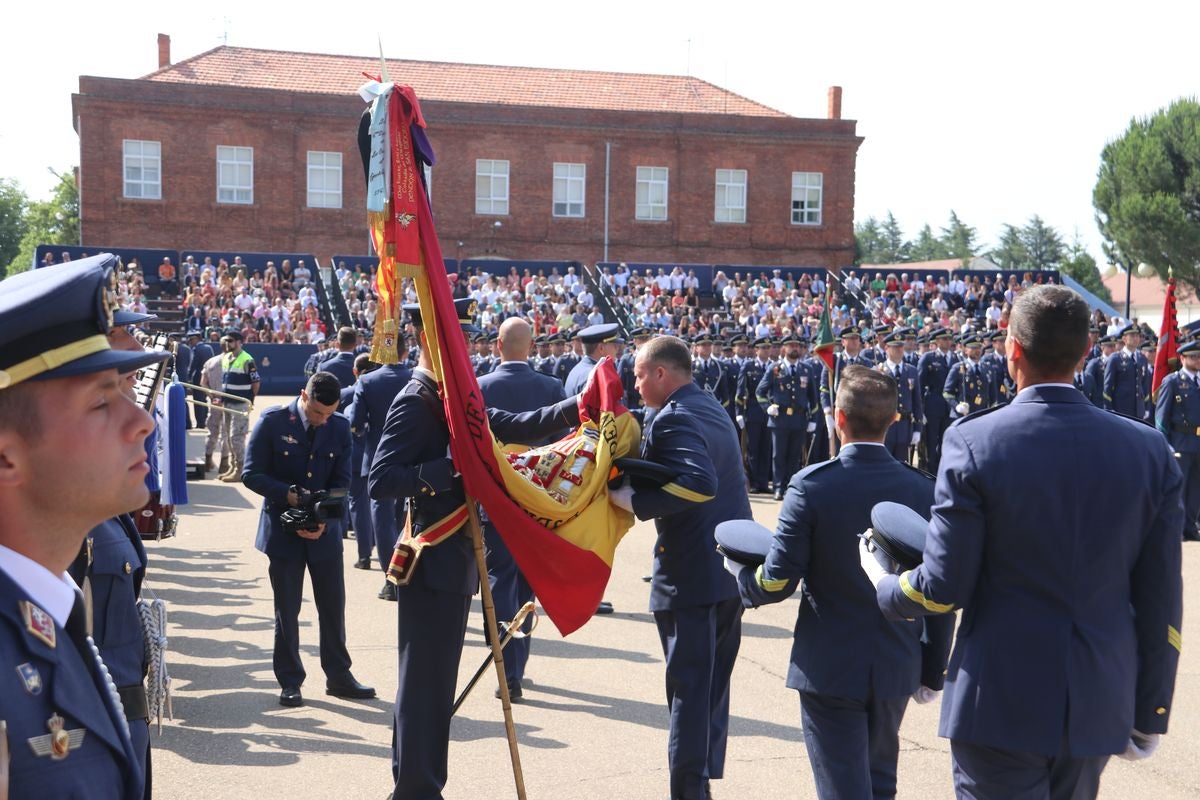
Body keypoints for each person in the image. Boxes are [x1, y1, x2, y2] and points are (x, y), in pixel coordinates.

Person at [864, 285, 1184, 799]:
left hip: (999, 698)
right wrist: (1151, 710)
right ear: (1085, 352)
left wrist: (888, 585)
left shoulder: (974, 440)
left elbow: (944, 587)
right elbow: (1161, 598)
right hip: (1096, 699)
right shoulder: (1147, 450)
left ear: (1012, 348)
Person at [369, 299, 576, 800]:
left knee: (434, 686)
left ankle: (419, 783)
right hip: (434, 557)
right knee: (424, 686)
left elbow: (512, 424)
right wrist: (455, 469)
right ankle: (416, 790)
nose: (465, 348)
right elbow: (381, 479)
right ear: (428, 341)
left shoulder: (448, 394)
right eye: (455, 340)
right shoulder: (417, 398)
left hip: (455, 557)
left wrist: (582, 404)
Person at [729, 365, 952, 799]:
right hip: (895, 661)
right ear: (894, 420)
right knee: (879, 782)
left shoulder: (810, 486)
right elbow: (939, 591)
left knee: (842, 788)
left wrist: (741, 577)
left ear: (838, 418)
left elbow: (777, 582)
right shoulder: (924, 490)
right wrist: (932, 668)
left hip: (828, 665)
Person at [0, 254, 168, 799]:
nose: (141, 419)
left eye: (126, 387)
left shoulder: (54, 604)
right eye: (102, 401)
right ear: (6, 459)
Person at [608, 335, 750, 800]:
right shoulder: (707, 405)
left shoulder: (675, 417)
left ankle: (688, 791)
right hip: (727, 572)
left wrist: (637, 501)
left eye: (639, 373)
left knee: (689, 695)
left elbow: (698, 483)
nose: (635, 381)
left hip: (690, 574)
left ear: (660, 374)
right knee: (708, 691)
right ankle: (701, 783)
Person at [241, 371, 375, 708]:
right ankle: (290, 680)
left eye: (328, 414)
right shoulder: (273, 421)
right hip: (283, 529)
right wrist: (286, 494)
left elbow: (342, 482)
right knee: (287, 610)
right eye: (317, 413)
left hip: (324, 533)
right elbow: (251, 473)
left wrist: (325, 520)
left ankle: (339, 676)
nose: (322, 420)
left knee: (333, 607)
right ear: (304, 395)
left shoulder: (340, 426)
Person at [477, 318, 568, 699]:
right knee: (528, 584)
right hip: (538, 501)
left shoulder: (479, 387)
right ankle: (517, 666)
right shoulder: (551, 387)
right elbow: (567, 449)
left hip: (496, 499)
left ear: (497, 344)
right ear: (531, 346)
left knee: (499, 579)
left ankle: (506, 669)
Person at [349, 336, 414, 586]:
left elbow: (356, 423)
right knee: (404, 519)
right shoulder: (416, 377)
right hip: (411, 457)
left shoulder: (366, 381)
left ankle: (391, 579)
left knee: (383, 518)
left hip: (377, 456)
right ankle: (405, 573)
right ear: (405, 351)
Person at [756, 334, 819, 499]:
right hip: (779, 419)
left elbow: (814, 398)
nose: (794, 348)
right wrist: (767, 407)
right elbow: (760, 392)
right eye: (791, 345)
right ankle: (778, 486)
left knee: (794, 455)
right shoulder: (775, 368)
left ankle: (790, 487)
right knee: (779, 455)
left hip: (799, 419)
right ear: (784, 348)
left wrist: (813, 419)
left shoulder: (806, 369)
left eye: (797, 345)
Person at [1155, 339, 1200, 541]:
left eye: (1199, 356)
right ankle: (1178, 529)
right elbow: (1161, 417)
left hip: (1198, 442)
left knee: (1196, 489)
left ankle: (1191, 527)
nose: (1197, 360)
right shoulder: (1172, 381)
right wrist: (1166, 444)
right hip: (1180, 441)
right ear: (1182, 358)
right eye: (1193, 356)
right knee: (1179, 489)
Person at [218, 330, 260, 482]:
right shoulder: (226, 357)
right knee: (229, 438)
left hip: (241, 404)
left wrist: (250, 402)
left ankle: (240, 469)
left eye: (230, 341)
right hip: (227, 402)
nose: (227, 343)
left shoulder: (247, 359)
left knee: (236, 438)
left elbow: (255, 383)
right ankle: (233, 466)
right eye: (226, 341)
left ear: (238, 342)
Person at [877, 330, 922, 462]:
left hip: (905, 425)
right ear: (886, 348)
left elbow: (917, 401)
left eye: (901, 346)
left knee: (903, 464)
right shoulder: (879, 371)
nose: (899, 349)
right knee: (884, 465)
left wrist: (917, 428)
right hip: (885, 427)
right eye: (895, 346)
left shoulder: (911, 370)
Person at [1104, 323, 1152, 422]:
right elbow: (1107, 387)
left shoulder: (1142, 359)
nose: (1135, 338)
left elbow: (1145, 385)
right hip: (1120, 409)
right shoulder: (1115, 358)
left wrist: (1146, 407)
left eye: (1137, 336)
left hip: (1138, 410)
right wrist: (1109, 409)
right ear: (1124, 339)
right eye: (1132, 336)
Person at [564, 323, 622, 395]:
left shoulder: (579, 369)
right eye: (614, 345)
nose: (617, 348)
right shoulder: (596, 377)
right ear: (601, 348)